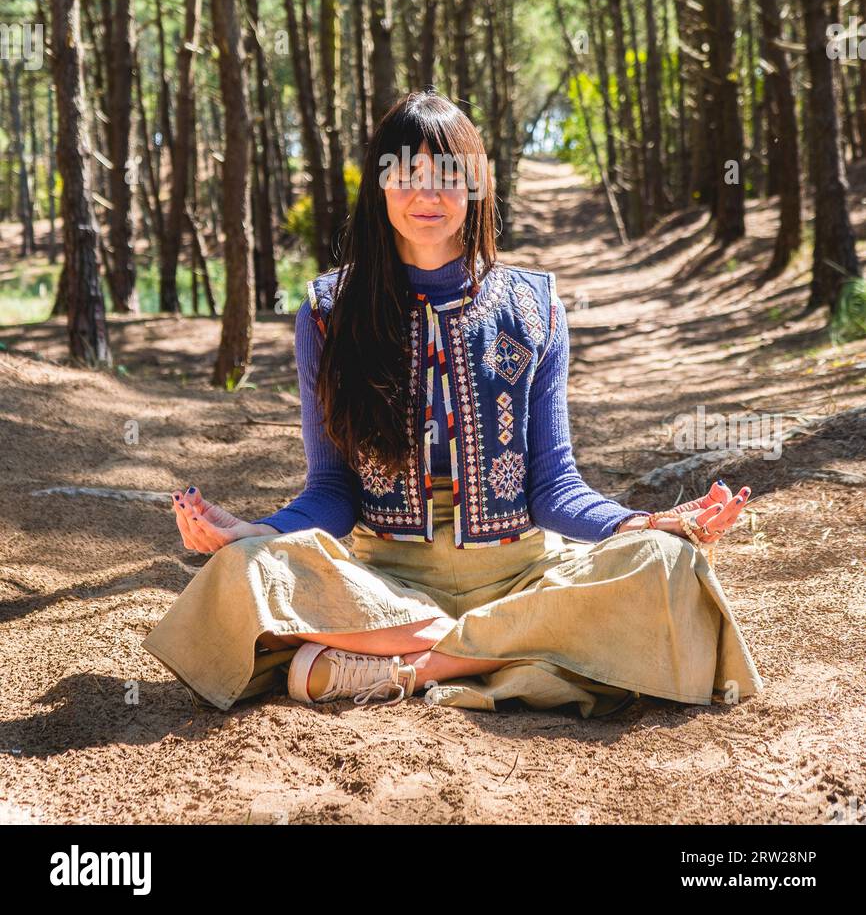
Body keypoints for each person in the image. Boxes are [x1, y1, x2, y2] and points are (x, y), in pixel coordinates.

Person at [141, 90, 763, 716]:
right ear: (380, 187)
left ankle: (405, 670)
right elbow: (332, 490)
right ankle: (511, 656)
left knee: (667, 562)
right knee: (243, 570)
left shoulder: (535, 307)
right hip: (383, 585)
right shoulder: (329, 313)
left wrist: (639, 523)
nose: (427, 196)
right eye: (406, 176)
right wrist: (257, 532)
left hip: (522, 576)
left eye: (448, 177)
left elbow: (555, 487)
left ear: (476, 188)